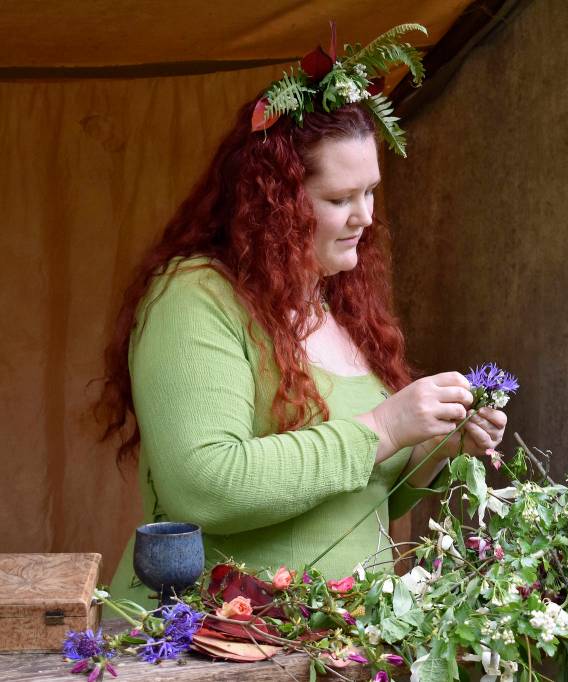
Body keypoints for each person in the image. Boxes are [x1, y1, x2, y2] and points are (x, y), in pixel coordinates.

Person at [98, 26, 506, 603]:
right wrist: (384, 427)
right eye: (340, 199)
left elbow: (363, 496)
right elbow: (205, 486)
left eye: (370, 192)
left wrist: (434, 446)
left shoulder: (340, 302)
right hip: (210, 644)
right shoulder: (195, 298)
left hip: (326, 646)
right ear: (273, 203)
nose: (365, 217)